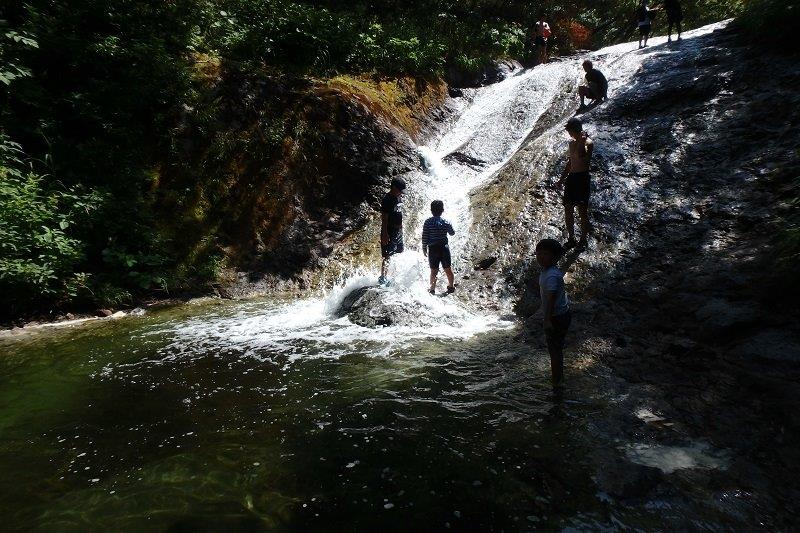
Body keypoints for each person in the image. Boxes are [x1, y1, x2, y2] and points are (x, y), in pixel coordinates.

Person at [535, 239, 571, 388]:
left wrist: (547, 319)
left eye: (546, 254)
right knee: (556, 348)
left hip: (556, 317)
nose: (542, 257)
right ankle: (558, 377)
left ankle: (557, 380)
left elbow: (551, 298)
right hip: (561, 314)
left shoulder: (550, 275)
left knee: (554, 350)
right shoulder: (549, 271)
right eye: (539, 253)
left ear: (556, 258)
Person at [556, 117, 593, 249]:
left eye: (569, 129)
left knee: (582, 211)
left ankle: (583, 240)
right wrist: (562, 179)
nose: (568, 132)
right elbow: (571, 162)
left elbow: (581, 155)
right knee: (568, 208)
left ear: (574, 129)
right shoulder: (572, 143)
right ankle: (571, 238)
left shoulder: (588, 142)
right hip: (572, 178)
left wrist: (581, 141)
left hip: (582, 177)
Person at [421, 200, 456, 295]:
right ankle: (451, 286)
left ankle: (432, 289)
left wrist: (424, 247)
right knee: (448, 268)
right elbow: (452, 233)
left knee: (434, 270)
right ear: (443, 210)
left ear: (431, 210)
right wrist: (450, 225)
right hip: (444, 248)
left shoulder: (428, 222)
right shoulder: (446, 221)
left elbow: (425, 236)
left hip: (433, 249)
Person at [379, 177, 406, 284]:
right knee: (387, 254)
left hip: (397, 230)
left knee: (399, 249)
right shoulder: (387, 199)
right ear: (394, 188)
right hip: (389, 230)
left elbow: (399, 213)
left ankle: (392, 274)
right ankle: (383, 277)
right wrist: (385, 234)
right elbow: (384, 218)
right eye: (400, 190)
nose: (401, 193)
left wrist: (401, 228)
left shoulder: (398, 197)